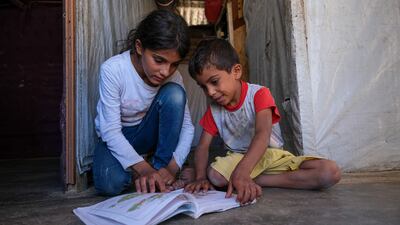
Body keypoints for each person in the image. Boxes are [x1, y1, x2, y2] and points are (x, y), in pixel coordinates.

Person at [184, 38, 341, 205]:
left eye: (214, 82)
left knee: (329, 172)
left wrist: (241, 173)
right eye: (203, 87)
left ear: (236, 71)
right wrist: (200, 177)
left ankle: (255, 179)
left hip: (270, 156)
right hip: (237, 158)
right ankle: (250, 178)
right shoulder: (214, 110)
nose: (210, 92)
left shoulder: (259, 94)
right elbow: (202, 147)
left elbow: (262, 134)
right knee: (215, 175)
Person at [93, 9, 194, 196]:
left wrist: (172, 168)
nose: (166, 71)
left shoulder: (174, 78)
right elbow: (110, 131)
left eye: (174, 64)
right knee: (109, 183)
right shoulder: (113, 70)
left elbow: (187, 128)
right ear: (139, 47)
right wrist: (145, 170)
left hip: (149, 136)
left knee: (175, 94)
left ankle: (160, 167)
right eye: (159, 60)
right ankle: (145, 168)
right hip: (118, 136)